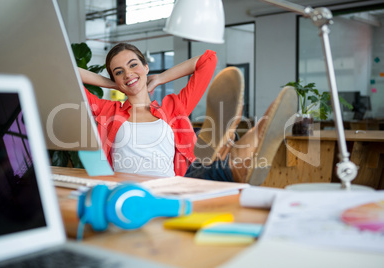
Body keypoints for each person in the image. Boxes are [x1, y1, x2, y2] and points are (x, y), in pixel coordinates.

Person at [80, 42, 298, 184]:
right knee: (215, 170)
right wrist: (113, 84)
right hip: (126, 191)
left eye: (133, 65)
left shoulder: (173, 107)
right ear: (115, 78)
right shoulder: (108, 111)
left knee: (203, 175)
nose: (128, 74)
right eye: (119, 72)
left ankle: (247, 144)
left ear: (146, 67)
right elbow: (66, 73)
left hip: (172, 187)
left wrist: (161, 77)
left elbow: (207, 60)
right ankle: (246, 145)